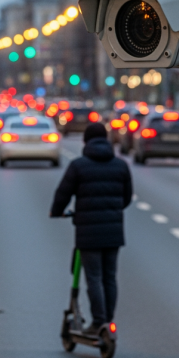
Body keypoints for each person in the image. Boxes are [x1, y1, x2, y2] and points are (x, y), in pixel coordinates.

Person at [50, 123, 132, 335]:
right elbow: (126, 198)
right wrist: (112, 209)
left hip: (88, 232)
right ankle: (108, 322)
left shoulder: (79, 166)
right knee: (110, 277)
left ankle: (98, 322)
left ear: (85, 141)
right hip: (114, 231)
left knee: (93, 277)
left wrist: (57, 211)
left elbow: (63, 193)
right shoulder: (121, 166)